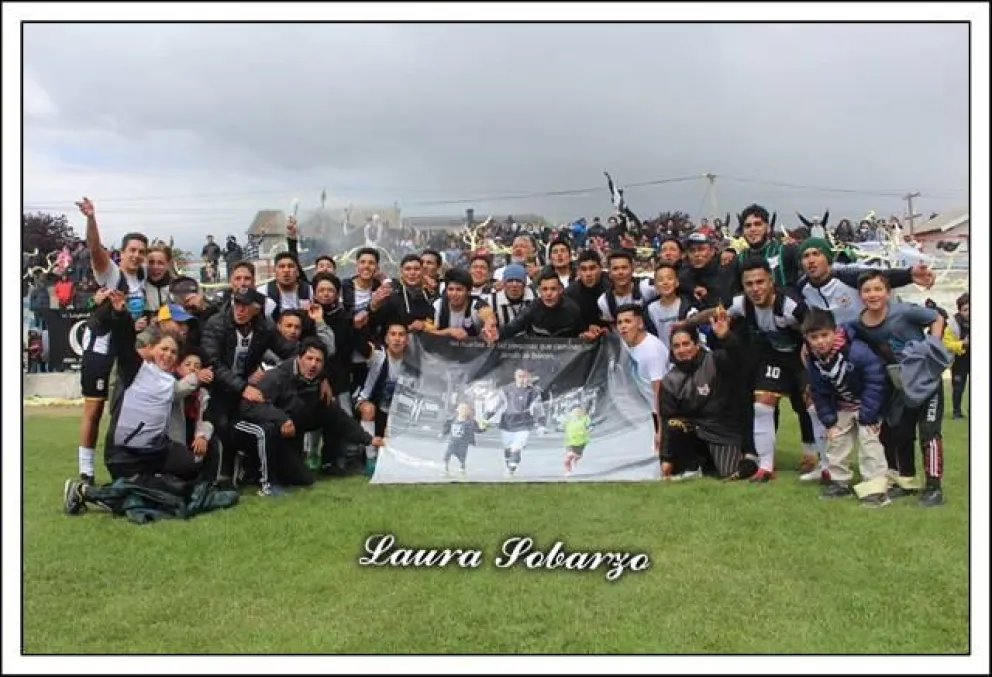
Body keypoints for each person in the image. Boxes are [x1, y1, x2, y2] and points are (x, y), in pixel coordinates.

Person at [232, 338, 385, 496]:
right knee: (267, 430)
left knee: (304, 479)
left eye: (318, 361)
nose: (313, 364)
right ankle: (263, 479)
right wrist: (281, 418)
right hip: (253, 428)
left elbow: (338, 415)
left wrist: (369, 439)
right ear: (299, 358)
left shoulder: (317, 381)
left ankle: (326, 462)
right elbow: (248, 407)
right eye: (309, 358)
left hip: (286, 435)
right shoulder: (276, 377)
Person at [853, 270, 949, 507]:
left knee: (929, 433)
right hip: (899, 386)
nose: (873, 294)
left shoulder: (904, 311)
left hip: (927, 383)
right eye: (867, 290)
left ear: (888, 292)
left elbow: (936, 317)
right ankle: (907, 481)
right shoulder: (859, 323)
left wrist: (932, 345)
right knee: (900, 432)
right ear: (860, 295)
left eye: (878, 289)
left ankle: (934, 488)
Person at [75, 197, 148, 487]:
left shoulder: (144, 278)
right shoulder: (112, 273)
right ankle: (86, 473)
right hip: (101, 342)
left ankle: (129, 466)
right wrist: (91, 218)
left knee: (130, 408)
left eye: (141, 252)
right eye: (132, 250)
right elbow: (95, 249)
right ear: (122, 253)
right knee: (94, 408)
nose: (137, 256)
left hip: (126, 346)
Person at [199, 288, 303, 487]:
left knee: (269, 416)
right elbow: (212, 362)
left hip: (246, 386)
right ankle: (222, 472)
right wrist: (242, 387)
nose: (240, 310)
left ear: (256, 309)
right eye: (237, 304)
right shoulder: (216, 324)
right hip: (218, 386)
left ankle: (257, 468)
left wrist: (313, 366)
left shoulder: (264, 327)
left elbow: (289, 350)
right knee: (221, 423)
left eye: (246, 306)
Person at [97, 289, 199, 482]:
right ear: (151, 348)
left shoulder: (169, 378)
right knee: (141, 490)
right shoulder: (135, 368)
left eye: (173, 352)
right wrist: (120, 314)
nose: (168, 355)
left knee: (189, 468)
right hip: (124, 454)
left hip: (155, 450)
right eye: (164, 349)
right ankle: (86, 492)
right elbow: (123, 343)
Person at [803, 308, 890, 507]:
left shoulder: (855, 351)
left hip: (867, 404)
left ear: (835, 331)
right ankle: (839, 483)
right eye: (814, 337)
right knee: (836, 442)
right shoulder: (814, 359)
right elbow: (819, 391)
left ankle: (875, 489)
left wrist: (868, 414)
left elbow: (876, 380)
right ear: (806, 338)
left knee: (869, 444)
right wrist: (829, 421)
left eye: (824, 335)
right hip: (843, 405)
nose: (820, 341)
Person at [659, 310, 747, 480]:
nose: (682, 350)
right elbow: (666, 419)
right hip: (693, 431)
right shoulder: (669, 381)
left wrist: (726, 337)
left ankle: (721, 459)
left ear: (697, 345)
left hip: (722, 430)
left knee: (729, 473)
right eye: (677, 346)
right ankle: (692, 466)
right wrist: (666, 458)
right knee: (674, 424)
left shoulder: (716, 361)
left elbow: (739, 359)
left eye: (686, 344)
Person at [796, 238, 935, 325]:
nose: (811, 260)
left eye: (816, 254)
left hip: (867, 335)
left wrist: (909, 274)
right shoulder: (802, 288)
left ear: (828, 259)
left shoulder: (847, 276)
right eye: (805, 256)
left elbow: (881, 276)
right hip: (833, 345)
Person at [356, 322, 413, 477]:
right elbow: (363, 346)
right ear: (386, 339)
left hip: (397, 410)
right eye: (393, 334)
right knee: (368, 409)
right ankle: (371, 459)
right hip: (371, 404)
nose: (397, 339)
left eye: (401, 335)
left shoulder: (413, 361)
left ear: (407, 340)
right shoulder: (378, 356)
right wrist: (359, 326)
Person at [615, 304, 670, 455]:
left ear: (640, 323)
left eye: (628, 321)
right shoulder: (627, 343)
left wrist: (661, 430)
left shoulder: (652, 350)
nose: (623, 327)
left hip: (665, 413)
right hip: (648, 412)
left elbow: (660, 392)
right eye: (619, 322)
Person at [484, 269, 587, 341]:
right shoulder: (533, 307)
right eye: (545, 289)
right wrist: (495, 334)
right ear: (539, 291)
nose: (549, 293)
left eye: (553, 289)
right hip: (539, 356)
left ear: (560, 290)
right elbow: (513, 327)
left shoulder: (572, 309)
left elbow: (583, 333)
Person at [482, 368, 546, 476]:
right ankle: (510, 464)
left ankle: (511, 468)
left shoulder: (534, 392)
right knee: (508, 448)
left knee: (517, 447)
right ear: (515, 377)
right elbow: (496, 405)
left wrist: (541, 424)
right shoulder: (506, 390)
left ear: (529, 378)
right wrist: (486, 418)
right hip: (507, 423)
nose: (523, 379)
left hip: (524, 424)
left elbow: (538, 409)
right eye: (520, 376)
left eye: (525, 376)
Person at [427, 268, 495, 339]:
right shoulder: (437, 305)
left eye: (459, 290)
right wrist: (448, 332)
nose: (454, 294)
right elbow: (426, 333)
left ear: (468, 292)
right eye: (450, 289)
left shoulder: (478, 305)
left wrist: (489, 326)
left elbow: (489, 317)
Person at [644, 262, 698, 347]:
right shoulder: (649, 310)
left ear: (677, 282)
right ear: (655, 285)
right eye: (660, 280)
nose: (665, 282)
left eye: (669, 278)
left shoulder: (689, 307)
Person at [597, 250, 657, 325]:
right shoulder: (604, 301)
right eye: (615, 269)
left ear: (632, 269)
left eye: (624, 267)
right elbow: (612, 327)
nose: (620, 272)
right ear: (609, 273)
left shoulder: (647, 287)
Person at [439, 402, 485, 479]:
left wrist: (484, 428)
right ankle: (446, 469)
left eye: (464, 410)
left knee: (462, 458)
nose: (462, 411)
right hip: (452, 442)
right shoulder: (453, 419)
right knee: (447, 455)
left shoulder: (471, 422)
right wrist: (443, 433)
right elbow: (447, 427)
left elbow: (477, 429)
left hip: (463, 443)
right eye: (460, 409)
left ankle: (462, 468)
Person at [485, 263, 535, 330]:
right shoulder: (491, 301)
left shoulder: (534, 296)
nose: (514, 285)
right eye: (510, 280)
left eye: (518, 281)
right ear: (504, 283)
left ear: (524, 284)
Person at [947, 293, 970, 419]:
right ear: (960, 311)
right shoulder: (953, 324)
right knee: (958, 387)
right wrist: (962, 343)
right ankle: (956, 412)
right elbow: (947, 344)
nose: (969, 312)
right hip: (959, 359)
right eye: (965, 310)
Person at [562, 405, 593, 477]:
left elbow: (590, 425)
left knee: (578, 456)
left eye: (579, 411)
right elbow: (562, 425)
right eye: (575, 411)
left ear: (582, 412)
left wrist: (589, 429)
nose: (577, 413)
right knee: (568, 458)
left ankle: (575, 460)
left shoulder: (585, 418)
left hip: (581, 442)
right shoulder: (568, 418)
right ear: (571, 412)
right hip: (569, 441)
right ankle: (567, 471)